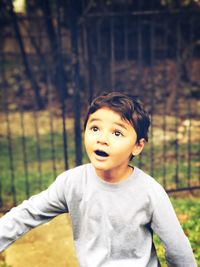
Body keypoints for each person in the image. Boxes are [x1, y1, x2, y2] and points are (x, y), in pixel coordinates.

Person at [0, 92, 197, 267]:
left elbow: (177, 248)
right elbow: (27, 214)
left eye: (117, 132)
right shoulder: (72, 182)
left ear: (137, 146)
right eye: (95, 128)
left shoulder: (150, 192)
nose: (102, 139)